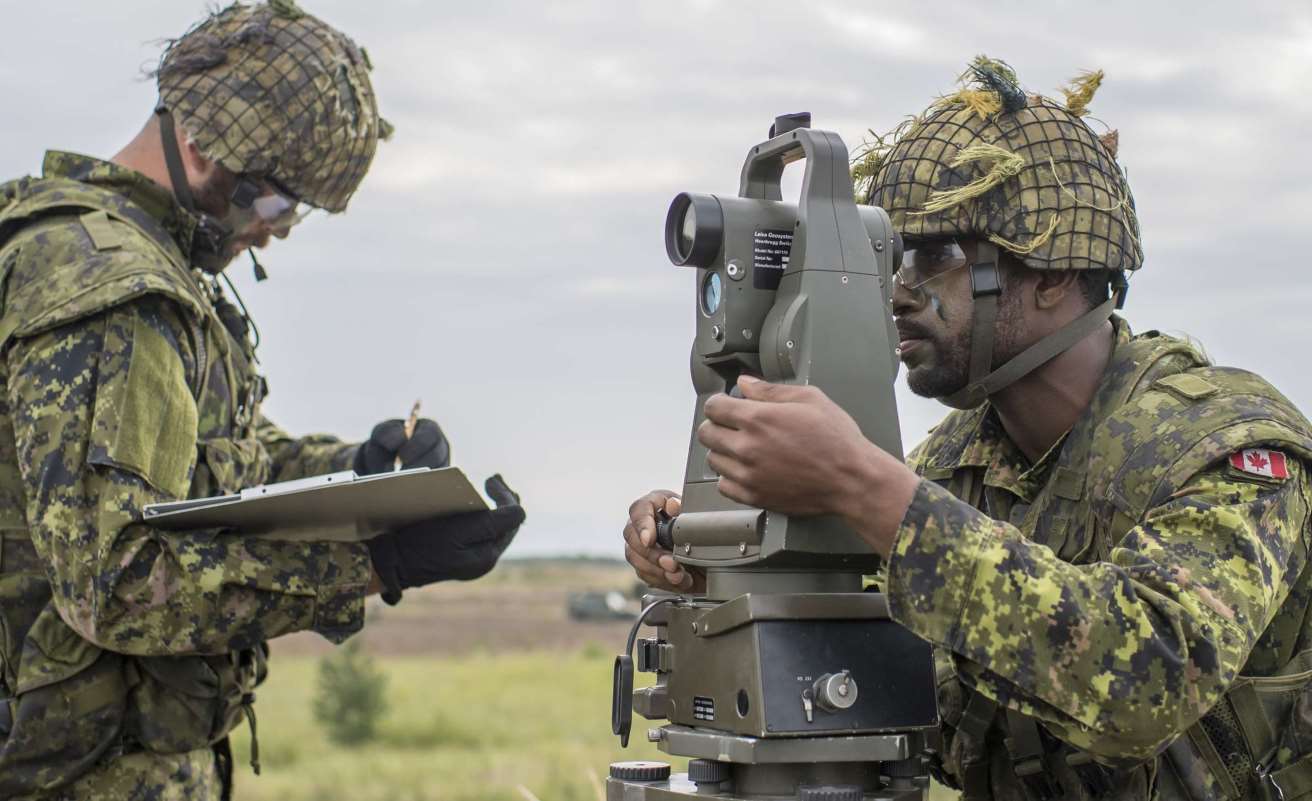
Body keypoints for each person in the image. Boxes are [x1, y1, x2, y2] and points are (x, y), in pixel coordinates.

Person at [624, 57, 1312, 800]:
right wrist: (720, 552)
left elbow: (1144, 681)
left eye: (936, 255)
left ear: (1053, 273)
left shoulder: (1225, 446)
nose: (898, 291)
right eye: (893, 256)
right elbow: (895, 682)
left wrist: (864, 484)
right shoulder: (957, 467)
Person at [0, 3, 524, 799]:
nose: (274, 232)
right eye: (274, 203)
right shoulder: (111, 290)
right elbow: (116, 582)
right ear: (205, 144)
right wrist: (369, 563)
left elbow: (203, 466)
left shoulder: (135, 264)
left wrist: (357, 468)